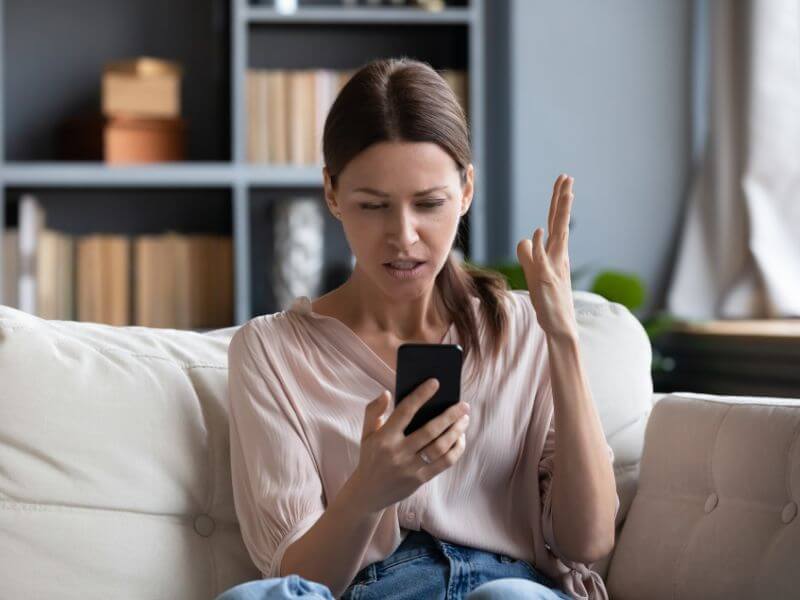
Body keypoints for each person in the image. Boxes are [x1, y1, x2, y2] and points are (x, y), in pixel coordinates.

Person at [218, 57, 619, 600]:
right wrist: (368, 492)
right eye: (373, 205)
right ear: (332, 194)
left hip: (507, 586)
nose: (403, 236)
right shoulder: (270, 350)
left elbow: (588, 539)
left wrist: (564, 339)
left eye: (429, 204)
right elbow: (295, 581)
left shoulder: (526, 328)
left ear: (466, 191)